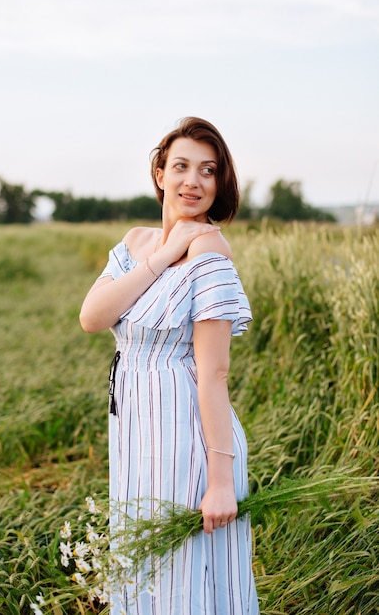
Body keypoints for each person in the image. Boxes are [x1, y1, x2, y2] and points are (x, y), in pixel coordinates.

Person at [80, 117, 259, 614]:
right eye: (181, 166)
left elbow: (214, 374)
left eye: (208, 170)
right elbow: (93, 317)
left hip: (187, 440)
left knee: (184, 578)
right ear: (160, 173)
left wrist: (221, 483)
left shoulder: (210, 252)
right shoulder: (137, 242)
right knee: (142, 566)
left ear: (220, 182)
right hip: (135, 430)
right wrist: (163, 255)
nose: (193, 181)